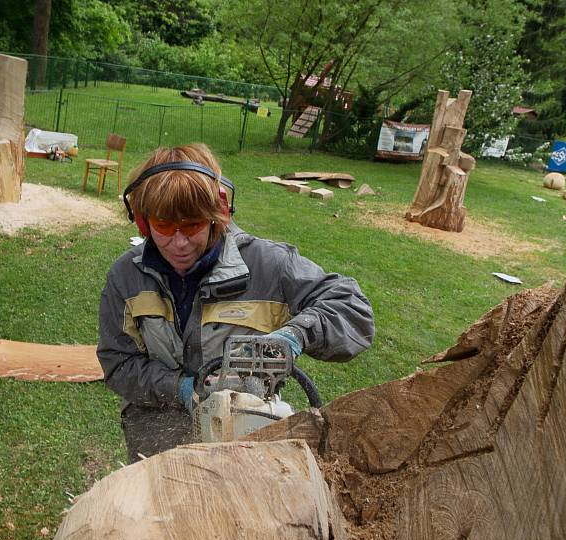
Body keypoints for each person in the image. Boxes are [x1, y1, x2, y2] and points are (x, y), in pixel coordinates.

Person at [97, 143, 374, 462]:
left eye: (192, 225)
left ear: (218, 214)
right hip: (158, 435)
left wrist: (293, 337)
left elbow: (352, 308)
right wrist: (182, 389)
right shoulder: (126, 277)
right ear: (144, 223)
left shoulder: (269, 265)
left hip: (246, 432)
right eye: (163, 226)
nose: (179, 242)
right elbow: (118, 363)